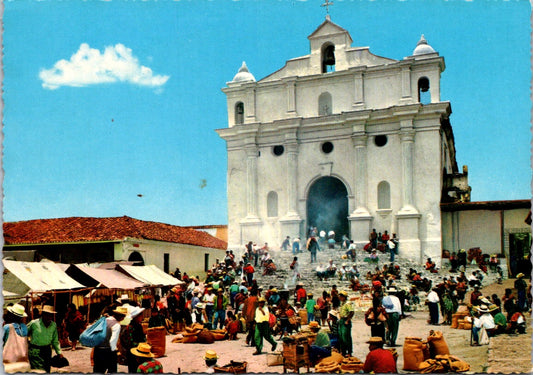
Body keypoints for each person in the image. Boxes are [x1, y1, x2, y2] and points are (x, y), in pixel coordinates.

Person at [27, 305, 63, 373]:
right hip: (35, 351)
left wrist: (59, 352)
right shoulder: (34, 323)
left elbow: (55, 340)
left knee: (47, 370)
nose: (49, 317)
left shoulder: (53, 325)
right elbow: (24, 333)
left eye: (50, 315)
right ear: (42, 314)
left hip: (47, 351)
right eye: (47, 315)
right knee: (38, 371)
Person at [93, 306, 127, 373]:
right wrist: (119, 352)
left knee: (98, 371)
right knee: (112, 371)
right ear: (121, 317)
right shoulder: (116, 325)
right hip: (109, 351)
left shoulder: (103, 320)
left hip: (98, 350)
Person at [119, 306, 147, 373]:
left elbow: (143, 337)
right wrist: (140, 345)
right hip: (132, 354)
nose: (142, 317)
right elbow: (130, 342)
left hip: (141, 352)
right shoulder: (130, 328)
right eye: (141, 315)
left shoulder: (139, 326)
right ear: (136, 317)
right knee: (133, 370)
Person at [337, 290, 354, 356]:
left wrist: (348, 320)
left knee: (346, 337)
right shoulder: (342, 303)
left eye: (341, 296)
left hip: (345, 320)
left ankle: (349, 352)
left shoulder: (348, 303)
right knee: (341, 336)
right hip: (341, 320)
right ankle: (343, 351)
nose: (340, 297)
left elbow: (351, 312)